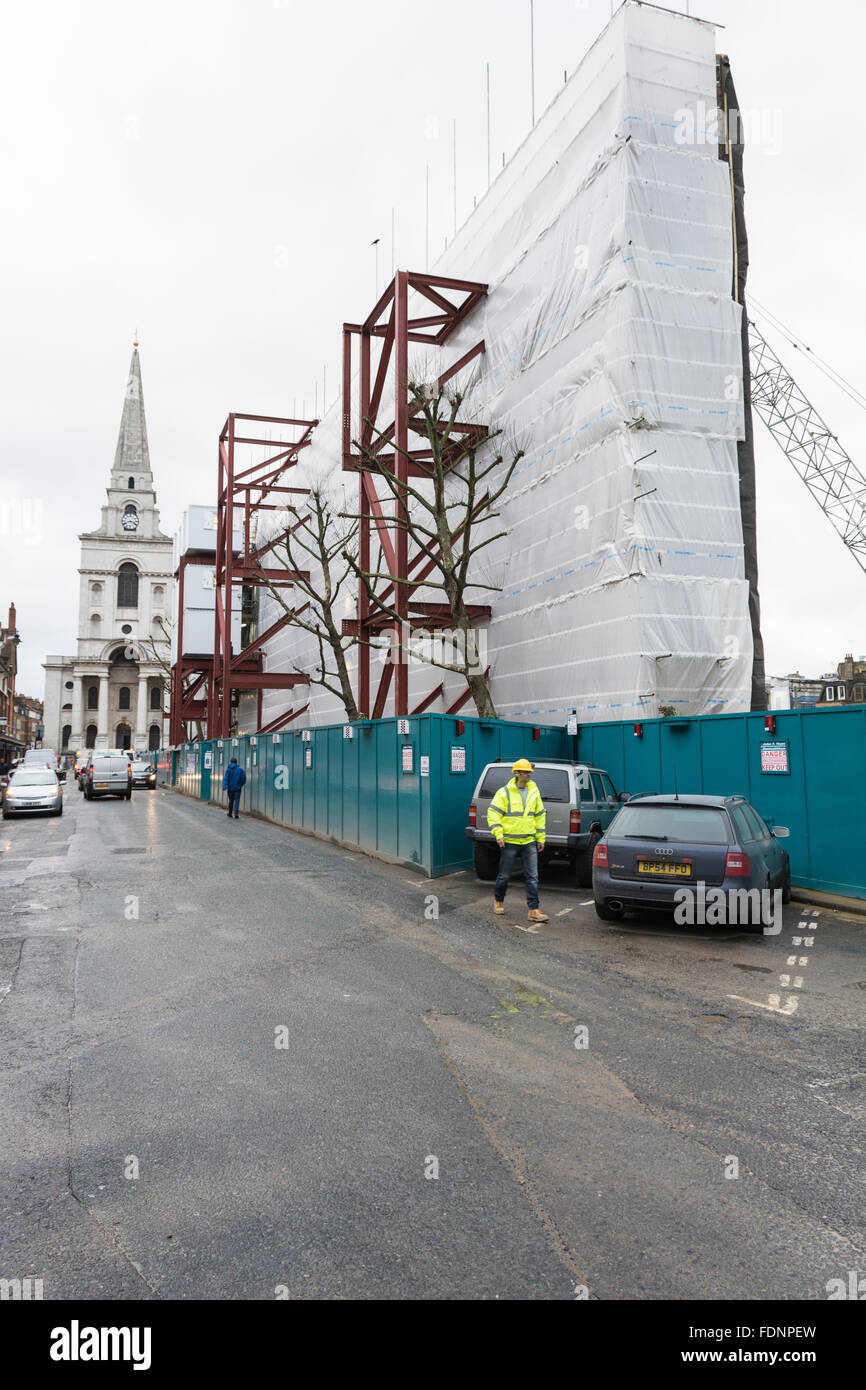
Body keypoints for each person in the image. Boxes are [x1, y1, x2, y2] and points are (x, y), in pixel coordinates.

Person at [487, 758, 549, 923]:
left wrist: (541, 838)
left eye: (529, 772)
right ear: (517, 773)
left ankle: (533, 910)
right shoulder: (504, 792)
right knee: (505, 876)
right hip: (509, 841)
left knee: (532, 877)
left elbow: (539, 815)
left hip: (529, 841)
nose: (529, 774)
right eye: (526, 772)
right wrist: (498, 835)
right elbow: (493, 814)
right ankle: (498, 900)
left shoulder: (534, 791)